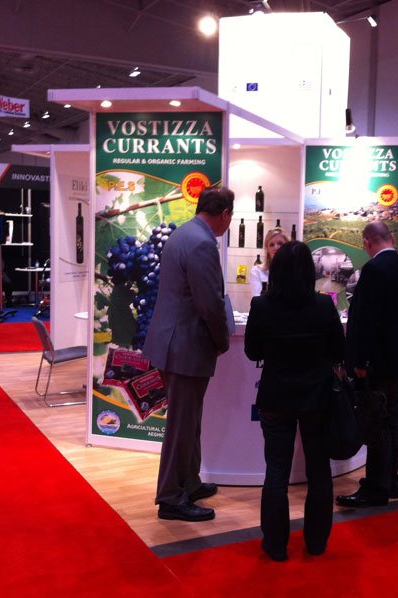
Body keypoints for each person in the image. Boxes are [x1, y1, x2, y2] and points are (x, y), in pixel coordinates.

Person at [244, 241, 345, 561]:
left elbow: (252, 352)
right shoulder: (323, 305)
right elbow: (338, 351)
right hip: (317, 397)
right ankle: (316, 542)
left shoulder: (262, 305)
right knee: (319, 470)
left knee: (276, 470)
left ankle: (275, 544)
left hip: (275, 396)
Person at [143, 187, 234, 523]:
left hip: (174, 344)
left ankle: (190, 483)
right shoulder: (202, 244)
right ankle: (170, 497)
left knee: (189, 421)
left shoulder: (183, 234)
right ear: (225, 214)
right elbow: (209, 304)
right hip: (185, 347)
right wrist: (222, 340)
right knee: (181, 426)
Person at [336, 221, 398, 509]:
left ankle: (375, 487)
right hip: (396, 358)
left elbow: (365, 321)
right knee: (393, 418)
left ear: (367, 242)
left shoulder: (373, 270)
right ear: (391, 238)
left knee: (376, 423)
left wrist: (360, 361)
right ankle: (391, 480)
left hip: (374, 362)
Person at [250, 228, 289, 297]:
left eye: (280, 244)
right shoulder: (257, 271)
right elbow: (257, 298)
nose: (276, 247)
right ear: (267, 248)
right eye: (271, 245)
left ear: (288, 246)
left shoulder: (294, 270)